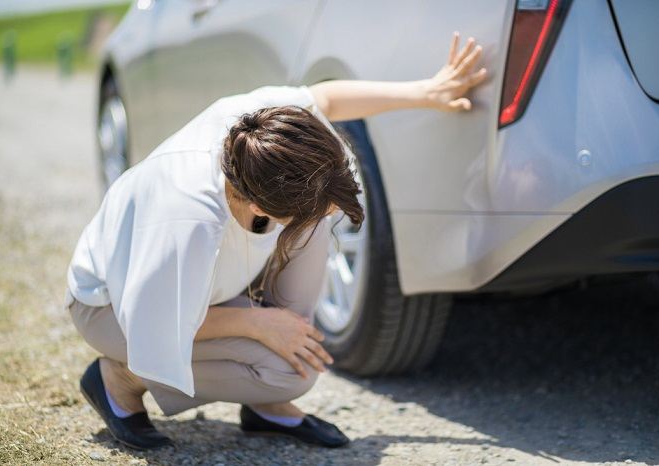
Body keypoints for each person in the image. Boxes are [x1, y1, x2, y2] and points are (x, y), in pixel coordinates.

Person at [65, 32, 486, 450]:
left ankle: (267, 406)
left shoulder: (265, 130)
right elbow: (160, 318)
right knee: (291, 371)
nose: (337, 216)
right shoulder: (188, 221)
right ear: (259, 209)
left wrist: (427, 92)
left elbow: (327, 100)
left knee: (313, 230)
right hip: (116, 307)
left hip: (199, 288)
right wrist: (259, 324)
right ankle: (120, 377)